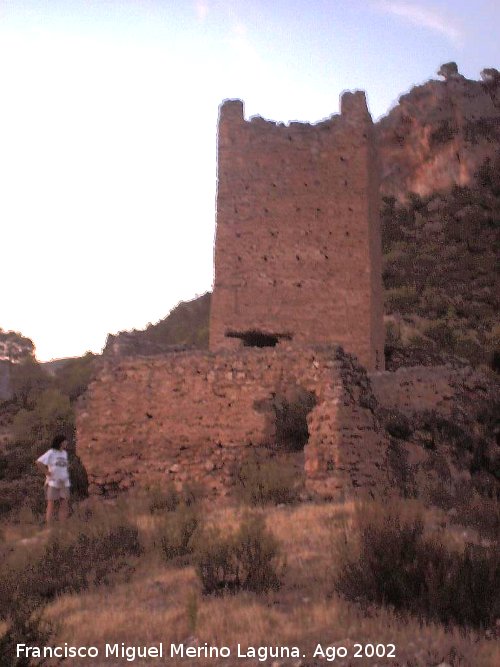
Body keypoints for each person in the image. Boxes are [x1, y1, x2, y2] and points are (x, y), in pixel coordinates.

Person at [36, 434, 71, 524]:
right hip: (53, 482)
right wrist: (47, 472)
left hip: (64, 482)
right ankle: (49, 526)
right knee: (51, 504)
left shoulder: (64, 453)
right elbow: (39, 462)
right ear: (60, 442)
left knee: (64, 503)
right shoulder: (51, 452)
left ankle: (63, 525)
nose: (66, 443)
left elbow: (63, 465)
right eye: (65, 441)